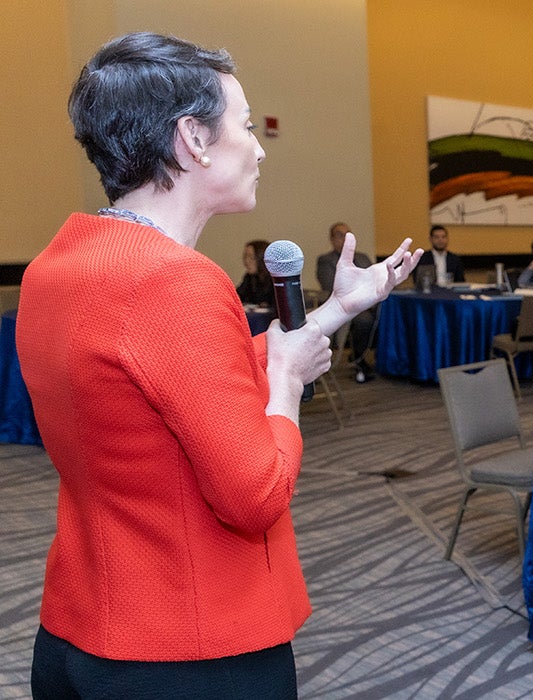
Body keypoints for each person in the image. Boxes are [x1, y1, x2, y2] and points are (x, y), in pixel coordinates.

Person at [17, 32, 422, 697]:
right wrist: (287, 380)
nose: (258, 144)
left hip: (79, 634)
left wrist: (333, 312)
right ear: (192, 140)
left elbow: (178, 385)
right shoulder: (177, 283)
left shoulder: (59, 268)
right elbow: (255, 493)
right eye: (242, 124)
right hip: (189, 650)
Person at [317, 222, 378, 383]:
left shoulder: (362, 257)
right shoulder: (325, 261)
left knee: (390, 315)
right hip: (345, 307)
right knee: (364, 321)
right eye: (340, 235)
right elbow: (332, 287)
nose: (345, 239)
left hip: (371, 303)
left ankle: (385, 359)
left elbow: (375, 280)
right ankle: (359, 358)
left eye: (348, 234)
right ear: (332, 239)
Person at [236, 239, 274, 307]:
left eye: (251, 257)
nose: (247, 261)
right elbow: (238, 296)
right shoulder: (249, 278)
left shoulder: (275, 279)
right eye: (245, 257)